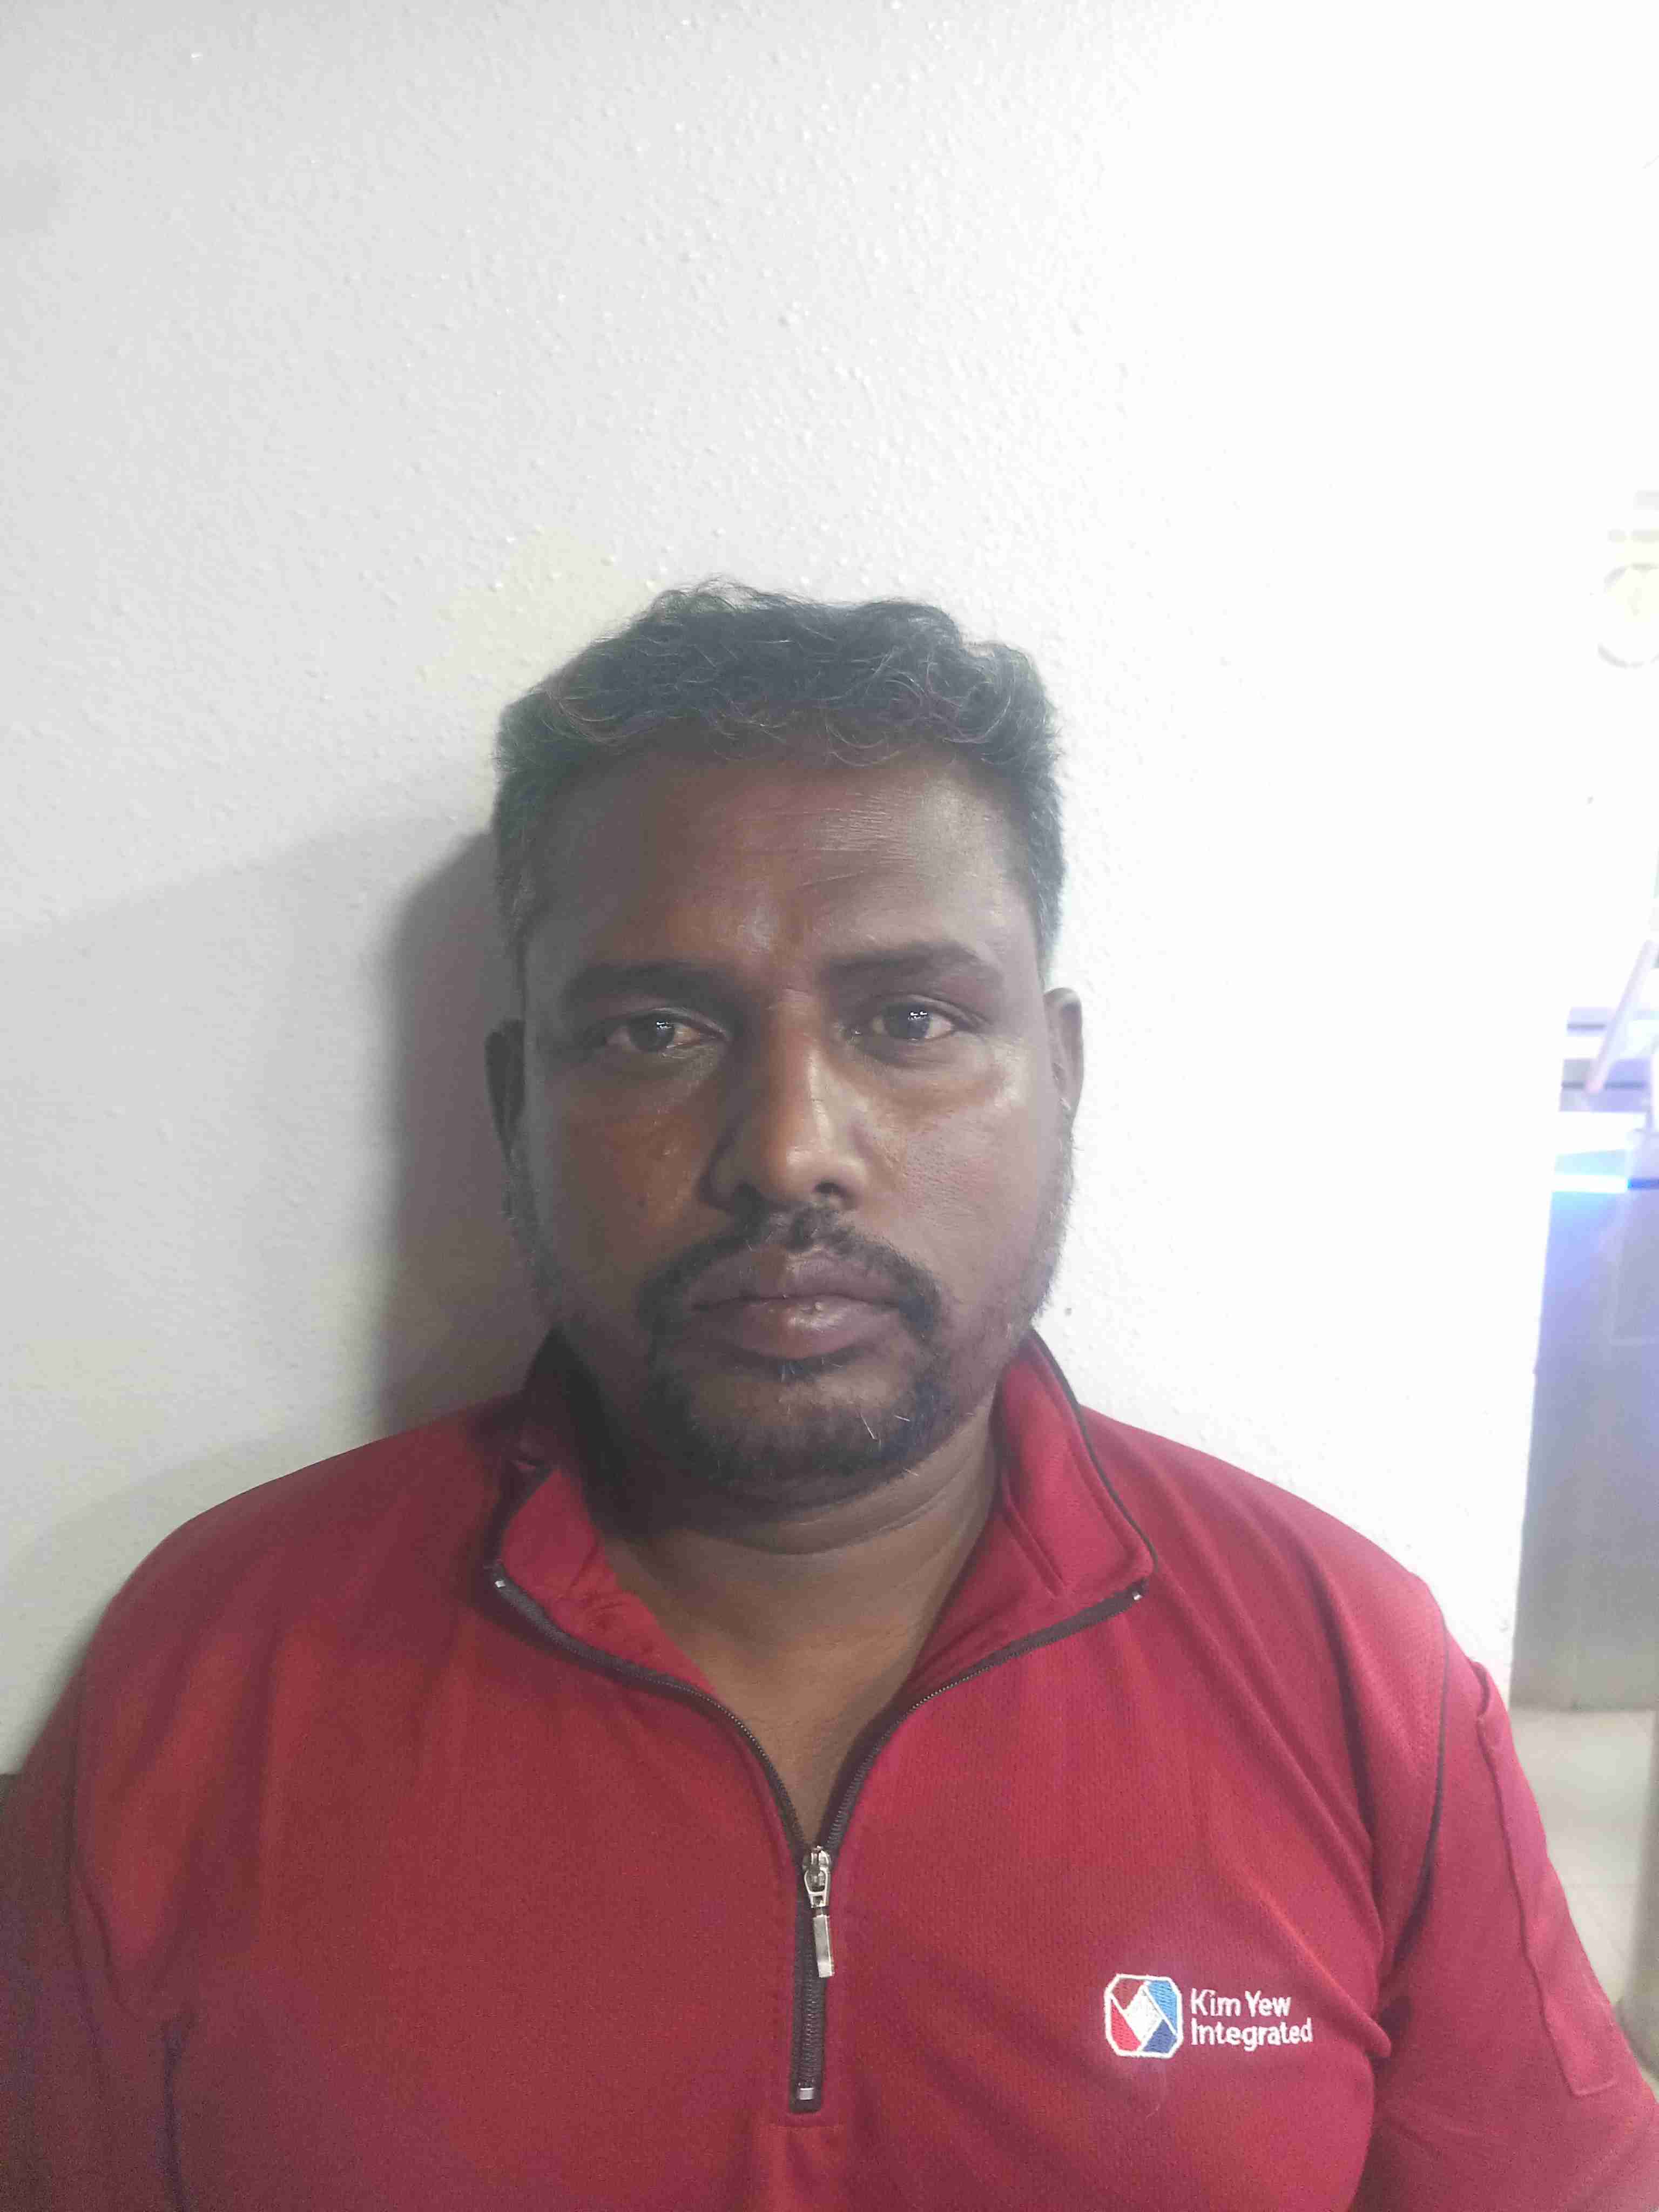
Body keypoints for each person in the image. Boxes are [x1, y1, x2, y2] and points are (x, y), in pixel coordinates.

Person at [2, 583, 1655, 2211]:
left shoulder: (1354, 1674)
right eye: (653, 1031)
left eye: (910, 1020)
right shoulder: (203, 1679)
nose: (790, 1149)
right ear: (517, 1107)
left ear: (1061, 1078)